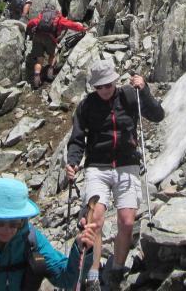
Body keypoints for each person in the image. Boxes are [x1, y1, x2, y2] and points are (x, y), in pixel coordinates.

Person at [66, 60, 165, 290]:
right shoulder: (86, 106)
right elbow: (77, 139)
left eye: (108, 85)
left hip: (127, 164)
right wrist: (72, 162)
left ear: (114, 81)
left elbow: (157, 114)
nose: (104, 90)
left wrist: (144, 90)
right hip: (97, 167)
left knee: (127, 221)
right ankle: (92, 273)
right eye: (99, 86)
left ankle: (117, 270)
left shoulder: (130, 95)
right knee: (95, 219)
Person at [25, 8, 88, 88]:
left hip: (38, 37)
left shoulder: (41, 17)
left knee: (39, 60)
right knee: (52, 55)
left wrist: (28, 32)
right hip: (50, 39)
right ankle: (50, 74)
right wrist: (82, 29)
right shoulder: (59, 19)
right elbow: (71, 24)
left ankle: (36, 78)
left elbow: (31, 23)